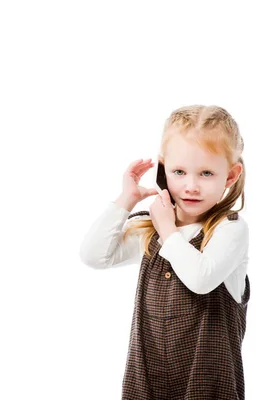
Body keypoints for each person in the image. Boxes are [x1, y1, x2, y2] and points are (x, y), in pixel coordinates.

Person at [79, 104, 250, 400]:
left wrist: (168, 230)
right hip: (146, 383)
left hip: (206, 386)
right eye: (179, 172)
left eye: (206, 173)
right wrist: (126, 200)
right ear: (162, 168)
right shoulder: (153, 227)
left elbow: (200, 277)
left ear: (231, 175)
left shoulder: (230, 230)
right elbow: (93, 255)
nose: (191, 185)